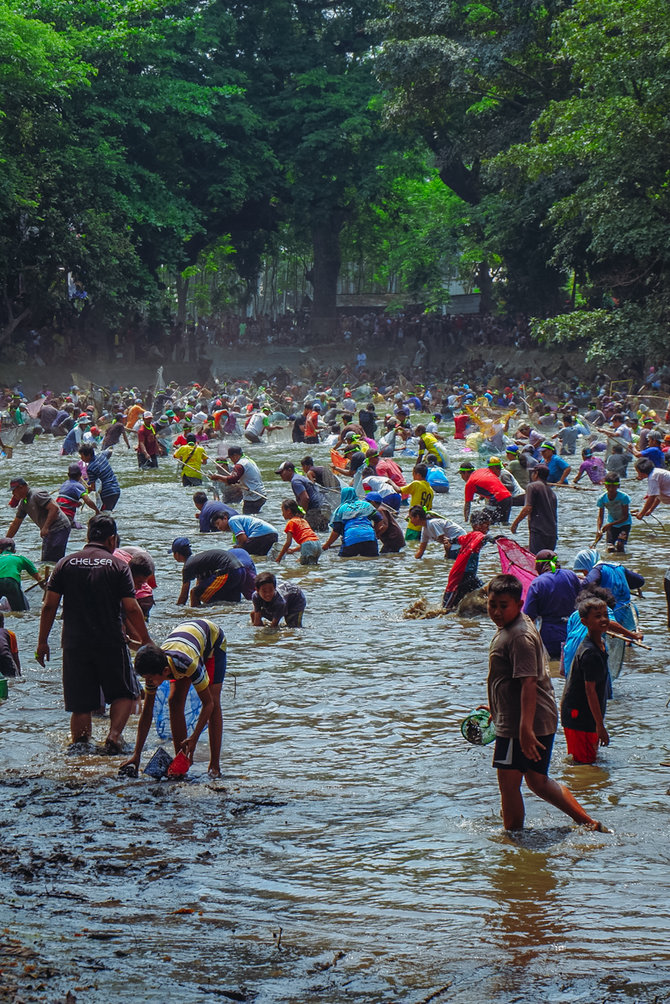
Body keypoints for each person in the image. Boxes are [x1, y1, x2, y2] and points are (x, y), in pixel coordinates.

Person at [486, 573, 603, 830]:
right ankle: (588, 823)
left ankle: (513, 840)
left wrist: (525, 730)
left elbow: (528, 683)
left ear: (519, 604)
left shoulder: (519, 636)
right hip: (530, 718)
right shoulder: (516, 625)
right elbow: (513, 681)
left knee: (508, 785)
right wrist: (496, 707)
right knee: (538, 781)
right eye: (492, 604)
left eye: (503, 606)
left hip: (523, 723)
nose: (496, 611)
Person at [36, 514, 151, 753]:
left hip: (74, 642)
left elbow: (49, 605)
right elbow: (131, 607)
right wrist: (147, 640)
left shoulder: (65, 563)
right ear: (112, 540)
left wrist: (42, 642)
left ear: (88, 536)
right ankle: (114, 736)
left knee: (81, 703)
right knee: (124, 693)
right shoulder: (118, 566)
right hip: (109, 640)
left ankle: (79, 746)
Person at [122, 618, 226, 778]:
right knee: (174, 701)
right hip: (182, 643)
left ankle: (214, 766)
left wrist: (194, 738)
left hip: (212, 642)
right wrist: (137, 754)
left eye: (149, 679)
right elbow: (147, 712)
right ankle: (181, 764)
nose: (147, 682)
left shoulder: (189, 665)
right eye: (145, 678)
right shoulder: (155, 669)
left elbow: (208, 704)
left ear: (164, 671)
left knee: (214, 701)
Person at [560, 595, 611, 764]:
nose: (604, 619)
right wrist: (600, 726)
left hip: (586, 713)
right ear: (584, 622)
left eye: (605, 615)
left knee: (588, 760)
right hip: (579, 715)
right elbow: (590, 691)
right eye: (597, 616)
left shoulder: (600, 643)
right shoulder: (590, 653)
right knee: (584, 763)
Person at [522, 550, 582, 659]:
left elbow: (528, 617)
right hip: (574, 632)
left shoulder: (537, 583)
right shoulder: (571, 576)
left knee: (553, 666)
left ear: (540, 565)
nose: (535, 569)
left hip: (550, 636)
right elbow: (583, 600)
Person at [6, 476, 72, 562]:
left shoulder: (36, 494)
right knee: (45, 559)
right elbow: (16, 523)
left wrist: (45, 527)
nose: (13, 494)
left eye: (14, 491)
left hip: (60, 527)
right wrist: (5, 541)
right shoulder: (23, 503)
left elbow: (54, 508)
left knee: (52, 560)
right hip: (48, 531)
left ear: (21, 487)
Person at [171, 537, 245, 605]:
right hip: (241, 570)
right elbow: (200, 582)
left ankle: (197, 616)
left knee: (194, 593)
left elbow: (184, 596)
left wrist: (177, 610)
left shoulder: (188, 566)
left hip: (228, 572)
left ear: (177, 554)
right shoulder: (198, 559)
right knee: (232, 603)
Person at [442, 510, 490, 610]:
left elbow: (459, 539)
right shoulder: (477, 534)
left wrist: (450, 540)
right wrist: (490, 538)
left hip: (469, 574)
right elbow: (482, 537)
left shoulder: (469, 536)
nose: (488, 529)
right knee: (447, 608)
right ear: (477, 525)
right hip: (461, 575)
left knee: (485, 590)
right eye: (486, 525)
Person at [509, 464, 558, 554]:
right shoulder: (551, 492)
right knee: (548, 560)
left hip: (539, 531)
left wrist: (515, 524)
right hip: (552, 534)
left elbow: (528, 508)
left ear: (536, 474)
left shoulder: (532, 486)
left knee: (537, 560)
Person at [322, 486, 380, 557]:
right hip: (369, 537)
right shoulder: (366, 505)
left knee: (343, 561)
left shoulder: (341, 509)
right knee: (372, 560)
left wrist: (327, 545)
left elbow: (336, 530)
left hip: (351, 538)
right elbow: (379, 519)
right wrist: (375, 533)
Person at [276, 461, 331, 531]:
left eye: (281, 472)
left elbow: (305, 498)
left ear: (289, 470)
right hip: (323, 507)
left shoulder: (295, 481)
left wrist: (301, 514)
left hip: (315, 510)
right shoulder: (299, 477)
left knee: (309, 533)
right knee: (321, 532)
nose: (280, 475)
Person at [210, 445, 266, 514]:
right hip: (260, 494)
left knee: (247, 519)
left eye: (231, 458)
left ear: (235, 456)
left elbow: (232, 479)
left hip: (253, 497)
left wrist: (218, 477)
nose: (231, 460)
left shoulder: (240, 465)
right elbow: (235, 480)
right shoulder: (248, 460)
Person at [0, 536, 43, 611]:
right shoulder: (21, 557)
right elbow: (39, 578)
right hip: (11, 582)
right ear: (14, 550)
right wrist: (45, 587)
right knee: (21, 611)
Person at [276, 499, 322, 565]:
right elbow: (308, 540)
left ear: (288, 511)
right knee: (310, 565)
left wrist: (279, 558)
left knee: (305, 568)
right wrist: (293, 550)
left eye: (283, 511)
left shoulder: (291, 522)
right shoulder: (303, 520)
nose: (282, 514)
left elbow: (288, 543)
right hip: (318, 544)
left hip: (308, 545)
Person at [212, 511, 279, 556]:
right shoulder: (235, 524)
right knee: (262, 556)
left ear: (225, 518)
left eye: (218, 523)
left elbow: (243, 539)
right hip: (272, 534)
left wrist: (238, 547)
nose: (219, 527)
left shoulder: (232, 521)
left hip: (262, 534)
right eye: (216, 526)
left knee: (240, 553)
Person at [79, 444, 121, 511]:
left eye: (82, 456)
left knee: (102, 516)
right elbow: (110, 451)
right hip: (116, 490)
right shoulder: (102, 455)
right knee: (106, 513)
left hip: (107, 493)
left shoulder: (90, 468)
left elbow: (94, 488)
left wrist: (88, 489)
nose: (81, 458)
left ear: (89, 455)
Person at [595, 473, 631, 552]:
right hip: (611, 525)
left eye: (614, 486)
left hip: (624, 524)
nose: (611, 489)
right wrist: (599, 530)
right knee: (610, 547)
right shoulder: (602, 498)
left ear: (618, 486)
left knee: (620, 545)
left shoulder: (624, 497)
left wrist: (610, 524)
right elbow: (600, 516)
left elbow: (625, 516)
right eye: (609, 486)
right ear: (605, 485)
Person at [0, 613, 20, 678]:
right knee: (12, 681)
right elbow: (15, 657)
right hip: (6, 661)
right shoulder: (10, 634)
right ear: (2, 622)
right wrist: (19, 674)